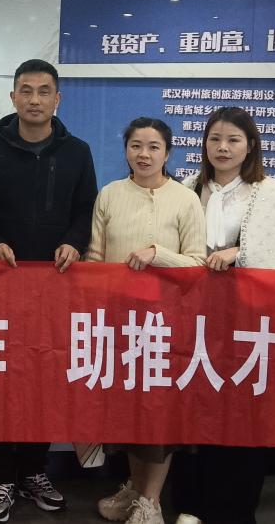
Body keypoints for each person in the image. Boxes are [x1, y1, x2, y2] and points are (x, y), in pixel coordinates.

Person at [0, 58, 98, 522]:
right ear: (13, 96)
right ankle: (0, 476)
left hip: (55, 287)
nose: (35, 99)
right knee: (0, 379)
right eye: (26, 90)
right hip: (0, 284)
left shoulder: (77, 151)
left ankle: (34, 471)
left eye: (44, 91)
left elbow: (86, 208)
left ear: (58, 99)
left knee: (45, 377)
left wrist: (74, 241)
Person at [167, 106, 275, 524]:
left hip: (249, 319)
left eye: (233, 140)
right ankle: (189, 504)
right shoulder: (187, 188)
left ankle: (235, 508)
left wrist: (237, 254)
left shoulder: (272, 191)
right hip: (196, 318)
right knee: (194, 406)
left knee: (244, 408)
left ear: (251, 145)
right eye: (215, 139)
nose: (223, 148)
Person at [85, 117, 205, 524]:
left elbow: (198, 263)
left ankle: (151, 503)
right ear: (126, 150)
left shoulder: (185, 199)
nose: (144, 154)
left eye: (154, 147)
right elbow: (95, 258)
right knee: (127, 412)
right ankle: (136, 490)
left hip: (167, 325)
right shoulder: (110, 194)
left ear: (168, 153)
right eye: (136, 145)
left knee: (158, 414)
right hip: (118, 323)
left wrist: (158, 253)